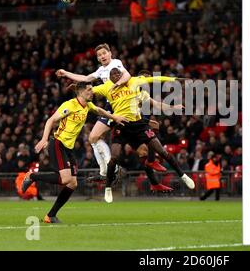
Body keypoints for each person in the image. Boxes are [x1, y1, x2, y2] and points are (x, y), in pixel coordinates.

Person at [21, 82, 127, 223]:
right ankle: (32, 176)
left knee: (72, 184)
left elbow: (100, 111)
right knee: (65, 179)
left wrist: (115, 117)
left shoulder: (87, 105)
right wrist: (44, 139)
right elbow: (50, 120)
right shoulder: (69, 105)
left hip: (69, 148)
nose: (92, 92)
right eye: (89, 90)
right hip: (58, 143)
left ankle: (50, 215)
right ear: (81, 92)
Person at [91, 68, 195, 203]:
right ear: (110, 78)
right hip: (120, 125)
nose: (117, 76)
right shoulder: (107, 87)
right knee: (114, 158)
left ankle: (182, 175)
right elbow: (89, 91)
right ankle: (108, 188)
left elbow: (157, 81)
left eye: (119, 74)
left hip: (138, 125)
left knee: (158, 151)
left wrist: (176, 81)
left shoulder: (136, 86)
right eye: (113, 74)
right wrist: (78, 87)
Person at [56, 43, 131, 180]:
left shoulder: (115, 64)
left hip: (121, 105)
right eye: (99, 55)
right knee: (92, 138)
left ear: (110, 53)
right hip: (111, 105)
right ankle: (106, 171)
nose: (102, 56)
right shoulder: (100, 71)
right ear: (97, 58)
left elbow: (127, 76)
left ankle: (110, 169)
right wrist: (66, 73)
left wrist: (116, 85)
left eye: (104, 53)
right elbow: (85, 79)